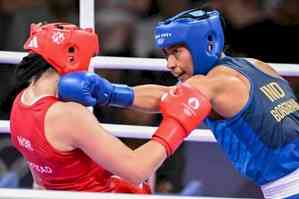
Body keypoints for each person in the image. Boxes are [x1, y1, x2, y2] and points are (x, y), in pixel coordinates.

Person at [58, 9, 299, 199]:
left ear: (207, 45)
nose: (170, 64)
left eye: (176, 52)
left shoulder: (210, 85)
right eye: (165, 54)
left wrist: (109, 93)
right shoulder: (255, 65)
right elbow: (169, 93)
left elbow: (166, 98)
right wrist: (111, 93)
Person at [5, 22, 210, 193]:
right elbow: (137, 169)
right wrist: (177, 124)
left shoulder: (20, 103)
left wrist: (114, 93)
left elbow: (40, 181)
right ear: (71, 57)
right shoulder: (66, 115)